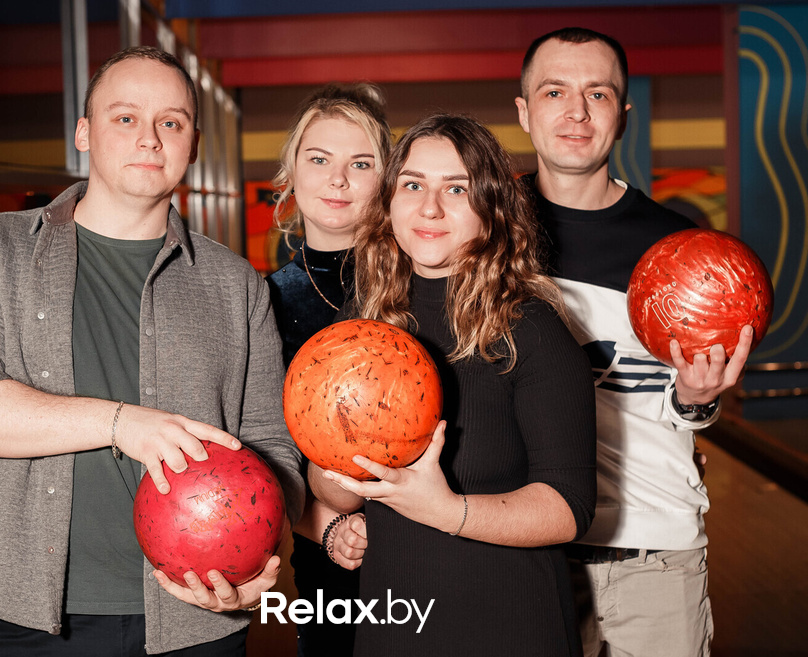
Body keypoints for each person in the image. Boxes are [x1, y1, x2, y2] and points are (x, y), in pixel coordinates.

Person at [0, 46, 304, 657]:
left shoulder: (235, 284)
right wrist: (120, 423)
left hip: (198, 616)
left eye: (170, 122)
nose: (149, 138)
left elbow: (272, 449)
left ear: (192, 144)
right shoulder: (2, 250)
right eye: (125, 117)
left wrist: (262, 567)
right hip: (36, 619)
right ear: (84, 132)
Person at [310, 113, 598, 656]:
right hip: (395, 618)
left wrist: (444, 510)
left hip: (506, 622)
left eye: (457, 189)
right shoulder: (364, 321)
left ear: (491, 208)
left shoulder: (530, 328)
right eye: (413, 184)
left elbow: (568, 506)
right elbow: (335, 485)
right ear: (390, 199)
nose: (430, 208)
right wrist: (343, 487)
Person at [515, 27, 753, 657]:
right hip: (524, 554)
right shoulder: (484, 236)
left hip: (656, 554)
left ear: (622, 115)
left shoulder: (681, 250)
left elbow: (684, 406)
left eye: (597, 93)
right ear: (524, 110)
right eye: (555, 91)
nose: (576, 111)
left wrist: (697, 398)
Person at [265, 82, 392, 657]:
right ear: (292, 172)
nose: (337, 180)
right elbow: (265, 457)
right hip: (330, 565)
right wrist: (329, 528)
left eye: (360, 163)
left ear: (387, 180)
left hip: (439, 549)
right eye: (319, 160)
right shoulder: (263, 301)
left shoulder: (427, 285)